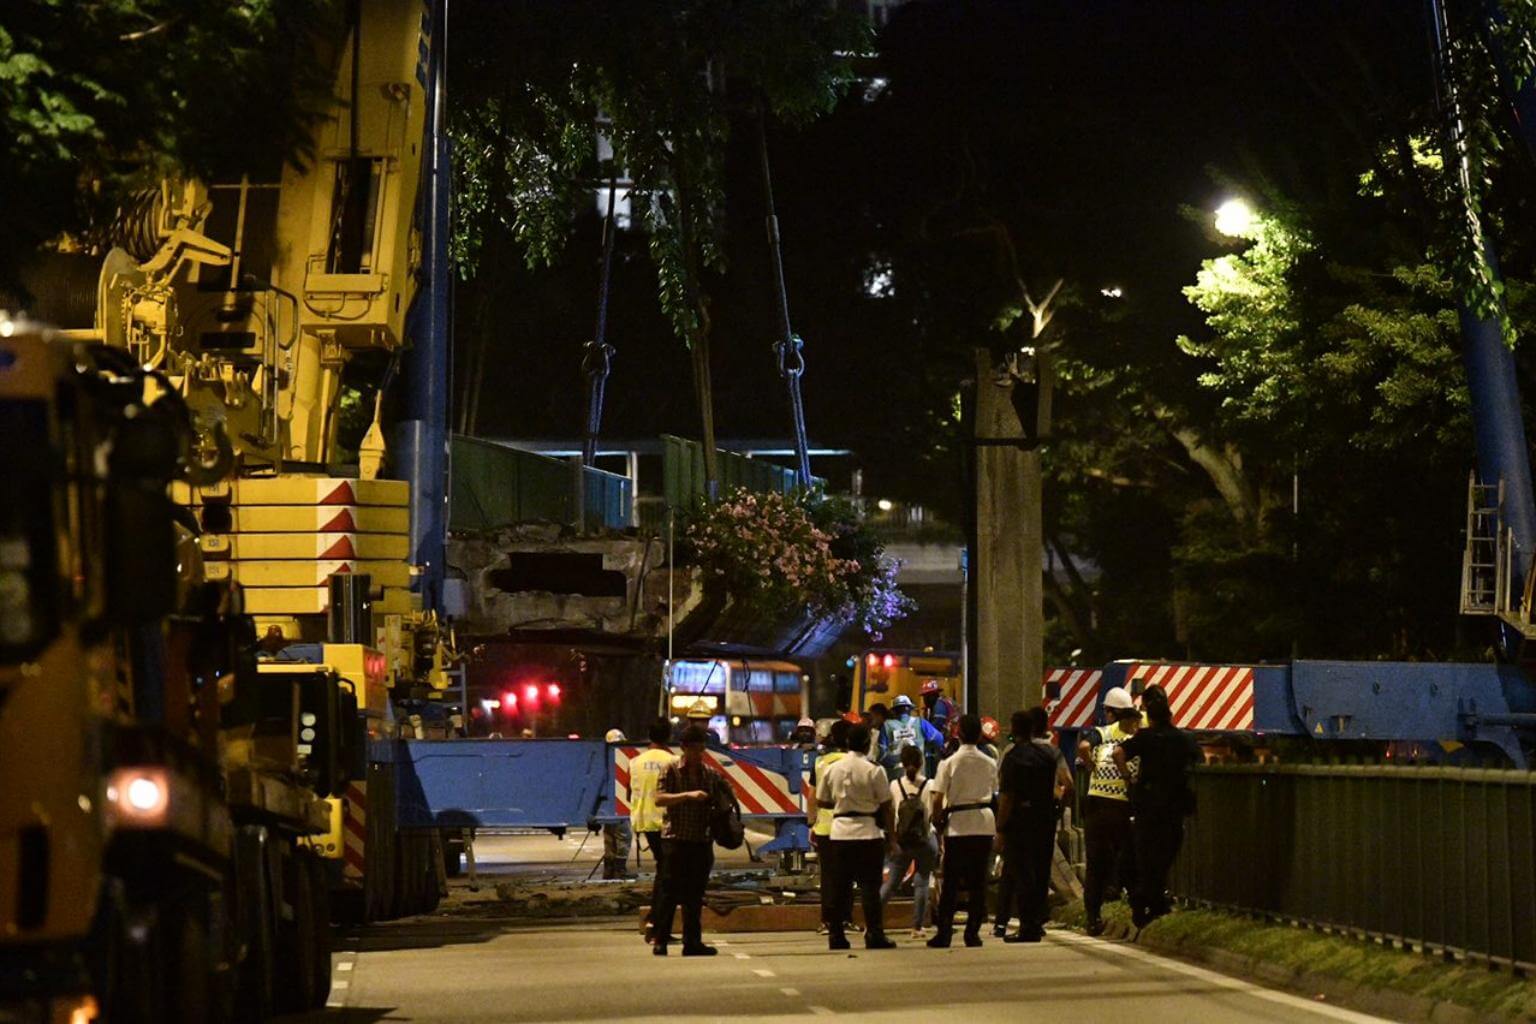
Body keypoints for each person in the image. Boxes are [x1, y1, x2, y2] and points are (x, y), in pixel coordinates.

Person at [1113, 685, 1202, 928]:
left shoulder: (1145, 737)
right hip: (1173, 805)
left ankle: (1145, 900)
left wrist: (1128, 778)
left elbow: (1118, 753)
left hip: (1147, 804)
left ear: (1149, 717)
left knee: (1145, 855)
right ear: (1170, 715)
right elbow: (1199, 760)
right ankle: (1155, 900)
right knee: (1166, 853)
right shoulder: (1183, 739)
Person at [815, 722, 898, 951]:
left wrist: (842, 803)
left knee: (839, 887)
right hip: (868, 832)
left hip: (840, 832)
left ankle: (836, 935)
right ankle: (874, 934)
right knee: (870, 888)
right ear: (867, 744)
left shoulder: (833, 769)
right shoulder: (874, 770)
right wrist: (892, 838)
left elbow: (822, 800)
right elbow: (887, 806)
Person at [996, 708, 1073, 943]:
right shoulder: (1049, 755)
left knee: (1022, 873)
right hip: (1045, 818)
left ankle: (1026, 925)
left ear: (1014, 730)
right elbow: (1068, 784)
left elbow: (1007, 796)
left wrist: (1000, 827)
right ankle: (1037, 922)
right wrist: (1058, 809)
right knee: (1040, 871)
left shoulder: (1012, 756)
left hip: (1020, 820)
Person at [927, 714, 998, 948]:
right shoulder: (989, 762)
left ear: (958, 734)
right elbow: (994, 793)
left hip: (957, 825)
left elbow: (937, 798)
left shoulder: (948, 763)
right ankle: (972, 933)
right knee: (979, 881)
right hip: (983, 823)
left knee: (951, 882)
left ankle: (944, 933)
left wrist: (938, 820)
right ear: (979, 735)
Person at [1076, 686, 1141, 936]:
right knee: (1129, 859)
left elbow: (1083, 747)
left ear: (1111, 712)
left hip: (1096, 803)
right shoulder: (1134, 734)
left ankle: (1093, 918)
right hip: (1122, 804)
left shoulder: (1101, 733)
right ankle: (1136, 910)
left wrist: (1091, 766)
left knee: (1095, 864)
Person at [652, 725, 721, 956]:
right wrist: (688, 796)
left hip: (700, 841)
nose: (698, 754)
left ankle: (692, 942)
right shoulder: (670, 770)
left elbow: (720, 800)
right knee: (669, 893)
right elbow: (659, 799)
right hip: (675, 840)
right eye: (694, 749)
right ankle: (660, 940)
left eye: (701, 750)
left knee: (694, 895)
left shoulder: (709, 774)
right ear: (683, 748)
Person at [880, 744, 938, 938]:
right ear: (921, 763)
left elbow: (890, 811)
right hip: (925, 838)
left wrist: (891, 839)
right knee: (922, 882)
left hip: (902, 840)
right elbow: (934, 812)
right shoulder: (930, 785)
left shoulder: (894, 785)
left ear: (902, 764)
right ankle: (917, 927)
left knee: (891, 882)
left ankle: (872, 921)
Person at [630, 719, 679, 945]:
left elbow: (631, 792)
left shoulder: (635, 762)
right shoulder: (674, 761)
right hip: (668, 823)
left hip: (646, 822)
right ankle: (656, 924)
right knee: (668, 875)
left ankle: (656, 923)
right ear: (669, 736)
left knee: (665, 871)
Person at [805, 719, 853, 935]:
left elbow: (812, 796)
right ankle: (846, 919)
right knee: (847, 875)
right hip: (849, 826)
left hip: (824, 827)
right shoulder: (855, 762)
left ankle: (827, 920)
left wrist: (811, 822)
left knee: (828, 876)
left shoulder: (820, 762)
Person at [881, 695, 943, 779]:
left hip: (896, 776)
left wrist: (897, 759)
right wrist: (926, 746)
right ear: (910, 709)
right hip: (919, 775)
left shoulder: (886, 725)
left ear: (894, 711)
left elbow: (881, 756)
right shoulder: (921, 723)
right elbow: (939, 740)